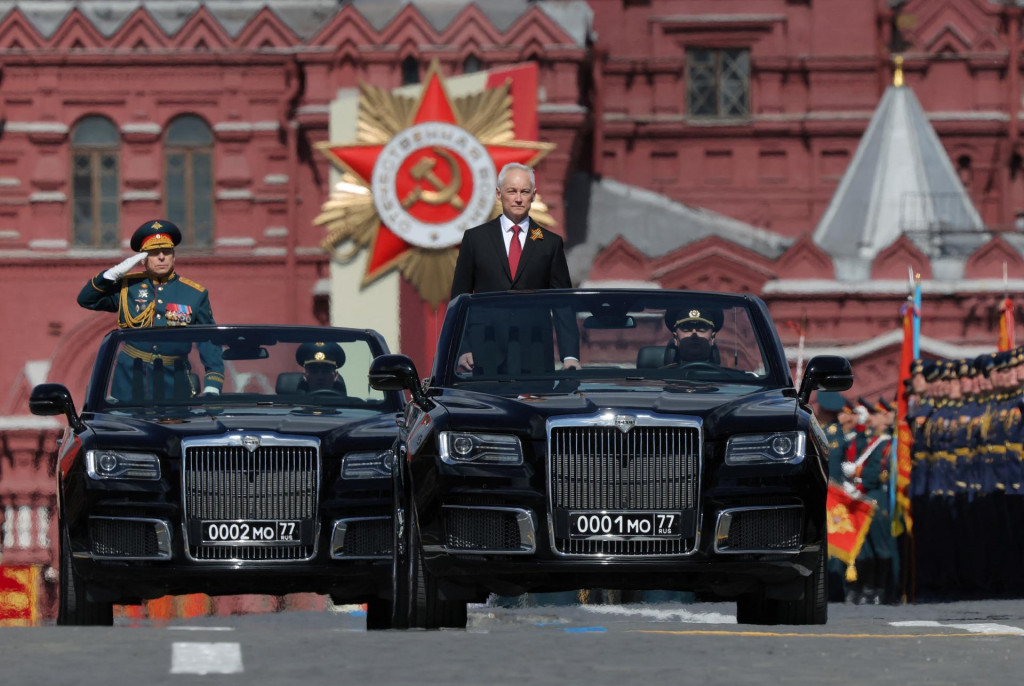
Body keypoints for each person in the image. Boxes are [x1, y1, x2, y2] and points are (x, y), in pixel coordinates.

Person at [451, 163, 579, 373]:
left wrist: (570, 355)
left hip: (535, 352)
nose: (518, 198)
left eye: (524, 192)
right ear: (499, 194)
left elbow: (563, 304)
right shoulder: (476, 239)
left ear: (534, 195)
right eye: (512, 191)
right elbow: (459, 298)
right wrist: (462, 348)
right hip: (484, 351)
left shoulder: (548, 242)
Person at [77, 219, 224, 399]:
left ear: (174, 257)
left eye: (167, 252)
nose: (162, 257)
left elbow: (209, 340)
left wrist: (213, 384)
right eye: (154, 253)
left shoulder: (194, 294)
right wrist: (111, 275)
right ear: (143, 260)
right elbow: (86, 300)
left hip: (174, 380)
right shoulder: (128, 288)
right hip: (130, 378)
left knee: (175, 426)